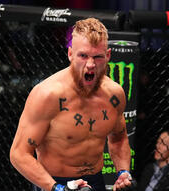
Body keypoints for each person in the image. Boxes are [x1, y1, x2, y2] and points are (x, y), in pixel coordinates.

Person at [10, 18, 132, 191]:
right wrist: (56, 188)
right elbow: (19, 153)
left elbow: (119, 138)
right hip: (53, 182)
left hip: (96, 182)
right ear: (70, 54)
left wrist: (123, 172)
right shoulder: (47, 94)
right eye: (83, 56)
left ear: (108, 56)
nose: (90, 65)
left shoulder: (114, 95)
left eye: (97, 57)